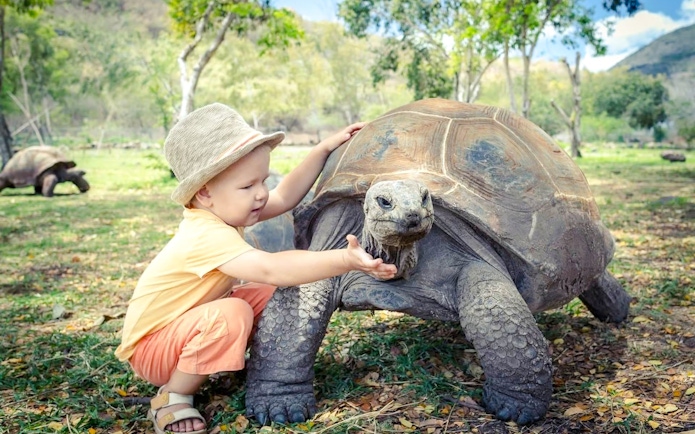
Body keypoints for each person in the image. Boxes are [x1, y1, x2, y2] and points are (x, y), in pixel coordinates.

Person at [114, 103, 397, 434]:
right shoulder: (204, 234)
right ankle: (173, 395)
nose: (261, 193)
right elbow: (272, 267)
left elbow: (283, 197)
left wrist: (322, 150)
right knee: (234, 311)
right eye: (248, 186)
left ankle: (235, 360)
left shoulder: (224, 211)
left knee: (270, 296)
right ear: (205, 193)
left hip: (184, 327)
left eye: (262, 180)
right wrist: (345, 260)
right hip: (153, 349)